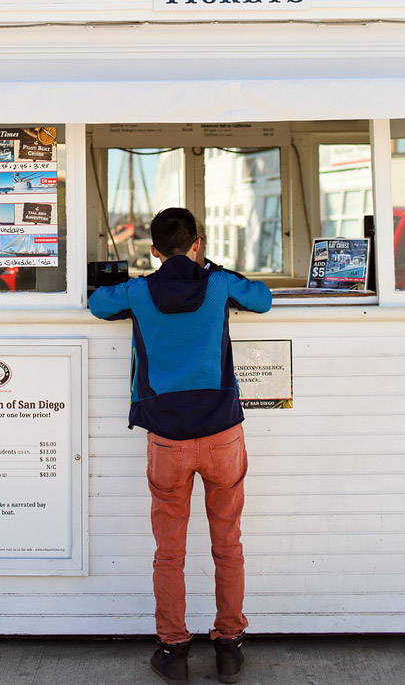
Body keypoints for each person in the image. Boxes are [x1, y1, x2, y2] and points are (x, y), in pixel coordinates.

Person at [89, 208, 271, 683]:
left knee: (169, 552)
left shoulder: (138, 291)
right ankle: (229, 646)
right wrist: (210, 268)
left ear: (153, 250)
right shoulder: (217, 284)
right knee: (227, 543)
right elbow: (264, 298)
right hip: (221, 435)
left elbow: (96, 304)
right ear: (197, 243)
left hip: (167, 438)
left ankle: (174, 651)